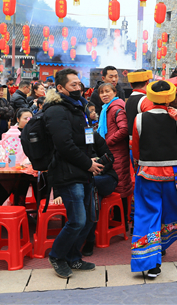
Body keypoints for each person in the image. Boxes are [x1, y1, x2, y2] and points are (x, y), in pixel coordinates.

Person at [130, 80, 177, 278]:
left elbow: (136, 148)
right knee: (170, 211)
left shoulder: (139, 119)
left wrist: (141, 161)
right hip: (174, 175)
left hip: (148, 172)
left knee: (147, 214)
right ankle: (162, 245)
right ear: (170, 97)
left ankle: (150, 262)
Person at [43, 68, 101, 278]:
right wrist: (88, 163)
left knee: (86, 220)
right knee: (77, 220)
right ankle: (57, 256)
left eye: (79, 84)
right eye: (73, 85)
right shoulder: (56, 110)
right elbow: (64, 145)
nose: (79, 88)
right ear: (60, 88)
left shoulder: (78, 107)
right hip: (67, 173)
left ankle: (74, 258)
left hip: (83, 170)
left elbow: (86, 137)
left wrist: (96, 155)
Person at [97, 83, 133, 228]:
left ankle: (122, 221)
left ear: (114, 92)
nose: (104, 95)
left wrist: (107, 142)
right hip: (112, 153)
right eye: (101, 92)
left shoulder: (116, 108)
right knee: (118, 185)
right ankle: (119, 220)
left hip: (117, 152)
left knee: (121, 186)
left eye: (107, 92)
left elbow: (124, 129)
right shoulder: (107, 108)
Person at [80, 132, 119, 257]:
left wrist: (97, 168)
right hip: (88, 182)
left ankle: (86, 239)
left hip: (106, 178)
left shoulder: (93, 135)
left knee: (91, 186)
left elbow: (110, 158)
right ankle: (89, 239)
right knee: (93, 194)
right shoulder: (67, 138)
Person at [125, 70, 153, 145]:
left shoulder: (128, 100)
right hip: (143, 143)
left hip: (131, 141)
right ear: (147, 82)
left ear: (131, 85)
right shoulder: (146, 100)